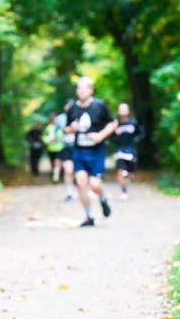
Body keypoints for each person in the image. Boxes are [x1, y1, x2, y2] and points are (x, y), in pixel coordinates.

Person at [65, 77, 117, 227]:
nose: (81, 91)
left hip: (96, 151)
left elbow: (113, 123)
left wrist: (100, 135)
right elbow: (66, 129)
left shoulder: (100, 106)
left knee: (95, 184)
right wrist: (71, 129)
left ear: (91, 90)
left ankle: (102, 198)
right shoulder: (72, 108)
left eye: (85, 88)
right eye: (79, 88)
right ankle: (89, 216)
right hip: (79, 151)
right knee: (81, 182)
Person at [112, 103, 144, 200]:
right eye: (121, 109)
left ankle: (127, 176)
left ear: (128, 111)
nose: (123, 111)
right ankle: (124, 191)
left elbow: (141, 133)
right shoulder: (115, 124)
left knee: (132, 174)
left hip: (131, 150)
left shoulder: (134, 122)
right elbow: (110, 137)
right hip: (120, 150)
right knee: (120, 171)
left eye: (125, 109)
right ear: (118, 111)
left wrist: (135, 140)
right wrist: (115, 135)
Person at [57, 101, 76, 200]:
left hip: (79, 147)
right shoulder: (60, 118)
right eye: (68, 106)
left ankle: (84, 189)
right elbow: (55, 130)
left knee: (80, 171)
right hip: (66, 146)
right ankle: (69, 192)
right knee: (68, 170)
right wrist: (53, 137)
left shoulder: (80, 116)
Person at [42, 114, 64, 183]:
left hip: (58, 148)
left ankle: (55, 176)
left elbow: (61, 135)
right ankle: (54, 174)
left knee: (57, 162)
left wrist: (55, 138)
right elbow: (44, 137)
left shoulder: (58, 127)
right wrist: (48, 141)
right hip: (51, 148)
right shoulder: (48, 128)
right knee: (53, 162)